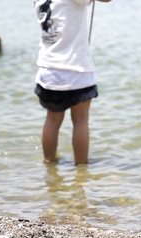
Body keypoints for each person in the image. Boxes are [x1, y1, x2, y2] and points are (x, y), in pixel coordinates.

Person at [34, 0, 111, 164]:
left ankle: (49, 164)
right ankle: (81, 169)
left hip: (49, 69)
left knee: (52, 120)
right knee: (81, 120)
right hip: (75, 69)